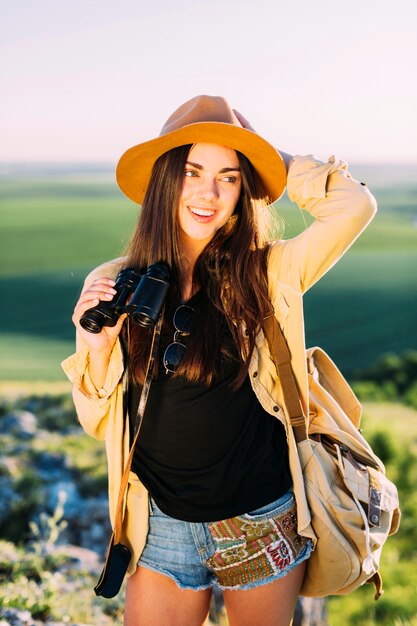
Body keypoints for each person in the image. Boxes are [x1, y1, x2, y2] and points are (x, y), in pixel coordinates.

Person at [62, 95, 377, 626]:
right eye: (192, 171)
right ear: (165, 179)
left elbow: (355, 206)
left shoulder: (270, 272)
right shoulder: (121, 280)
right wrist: (95, 349)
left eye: (230, 177)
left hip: (259, 518)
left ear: (243, 190)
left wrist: (268, 159)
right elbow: (97, 421)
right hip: (159, 522)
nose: (209, 193)